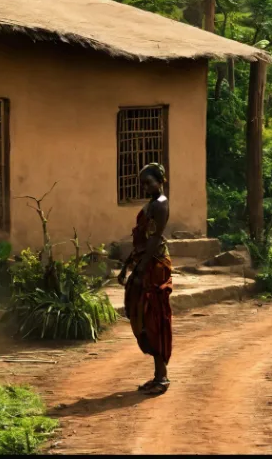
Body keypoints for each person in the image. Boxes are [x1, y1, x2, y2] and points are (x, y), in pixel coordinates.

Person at [118, 163, 173, 395]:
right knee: (139, 313)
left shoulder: (160, 205)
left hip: (155, 265)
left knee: (154, 318)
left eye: (149, 182)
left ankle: (162, 377)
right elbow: (142, 238)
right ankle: (157, 375)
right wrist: (127, 266)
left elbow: (153, 240)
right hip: (144, 262)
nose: (146, 186)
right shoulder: (151, 203)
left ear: (160, 181)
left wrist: (140, 269)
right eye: (143, 183)